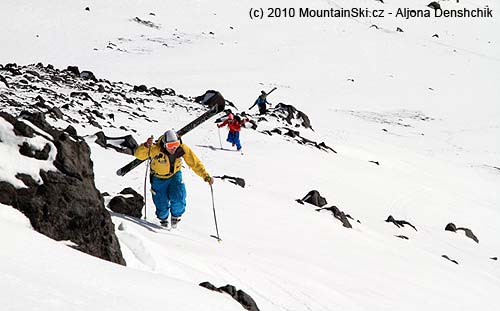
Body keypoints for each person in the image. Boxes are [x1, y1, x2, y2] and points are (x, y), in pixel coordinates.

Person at [134, 130, 214, 228]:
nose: (174, 148)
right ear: (164, 144)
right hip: (158, 179)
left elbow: (194, 162)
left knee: (179, 197)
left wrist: (206, 176)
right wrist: (146, 146)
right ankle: (163, 220)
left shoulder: (182, 148)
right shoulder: (155, 149)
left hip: (175, 176)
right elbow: (138, 155)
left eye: (176, 144)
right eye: (170, 145)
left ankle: (175, 217)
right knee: (161, 204)